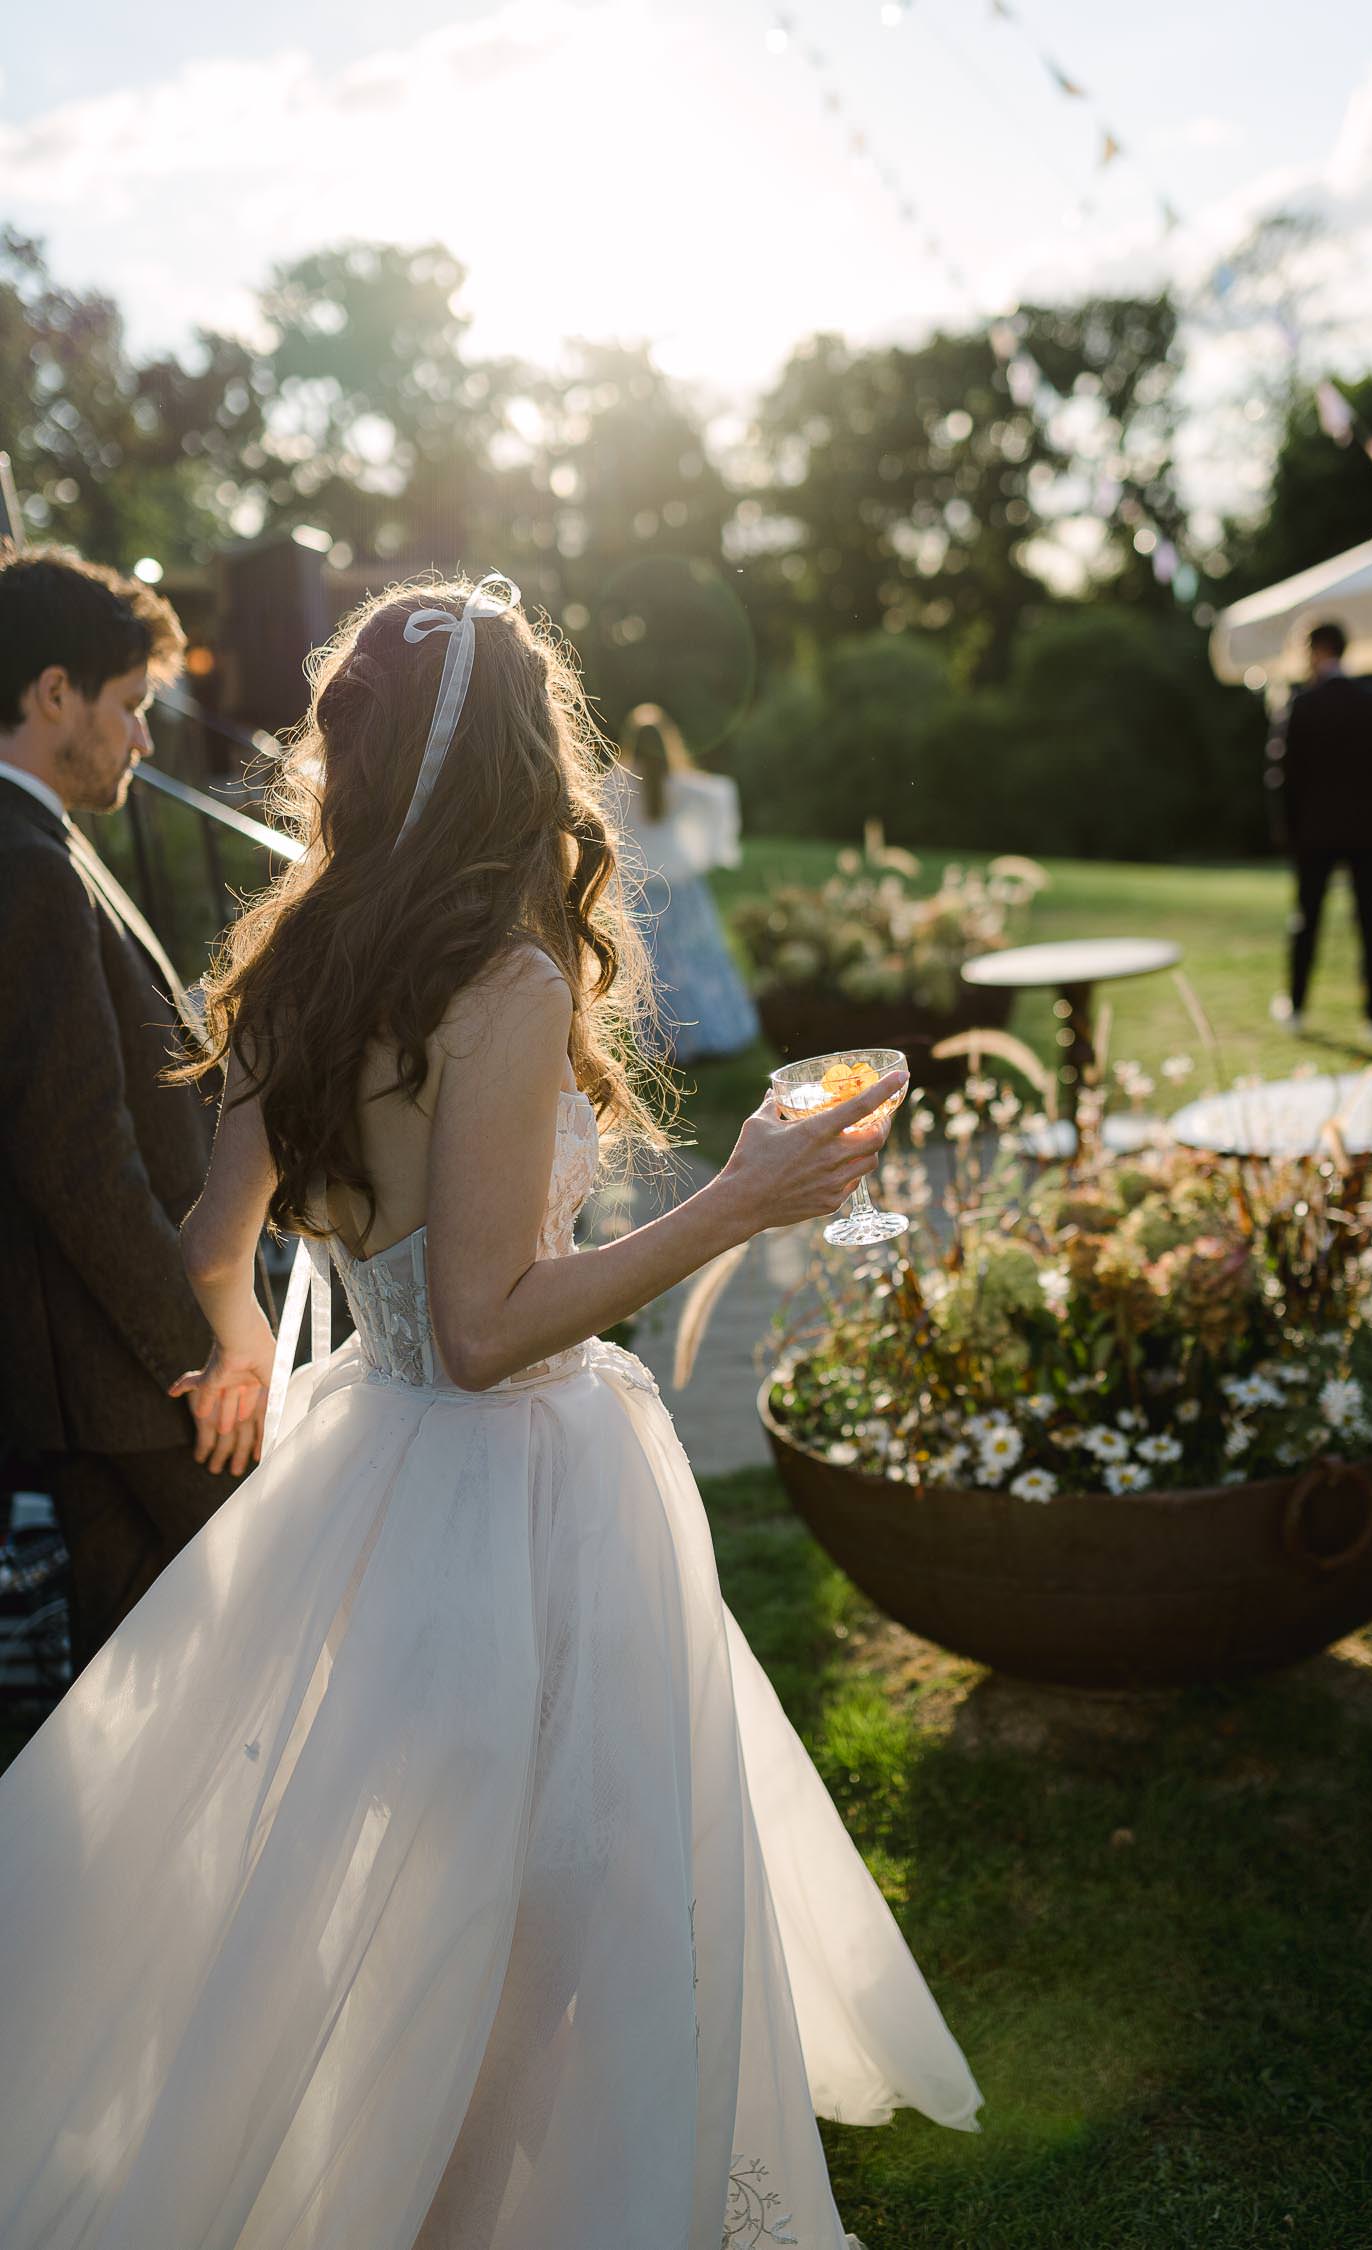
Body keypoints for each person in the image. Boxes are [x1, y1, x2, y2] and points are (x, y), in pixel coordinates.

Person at [0, 571, 980, 2248]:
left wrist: (241, 1353)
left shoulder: (296, 955)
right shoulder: (507, 984)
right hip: (521, 1480)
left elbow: (209, 1247)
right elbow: (482, 1331)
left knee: (410, 1876)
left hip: (357, 1465)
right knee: (569, 1895)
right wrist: (733, 1200)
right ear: (528, 758)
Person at [0, 547, 253, 1674]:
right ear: (53, 694)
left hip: (111, 1372)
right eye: (131, 708)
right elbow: (75, 1153)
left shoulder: (44, 844)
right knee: (245, 1647)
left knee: (147, 1690)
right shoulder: (26, 866)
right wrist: (193, 1355)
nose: (145, 741)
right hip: (121, 1374)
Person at [1271, 618, 1372, 1039]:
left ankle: (1295, 1007)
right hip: (1366, 834)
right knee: (1370, 926)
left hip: (1313, 837)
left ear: (1316, 650)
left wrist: (1289, 834)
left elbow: (1282, 778)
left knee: (1306, 921)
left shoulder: (1301, 706)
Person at [616, 701, 759, 1063]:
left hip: (643, 891)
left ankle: (667, 1045)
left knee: (655, 970)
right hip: (681, 888)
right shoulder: (685, 785)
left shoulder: (618, 784)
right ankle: (710, 1036)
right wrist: (717, 848)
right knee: (696, 960)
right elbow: (722, 795)